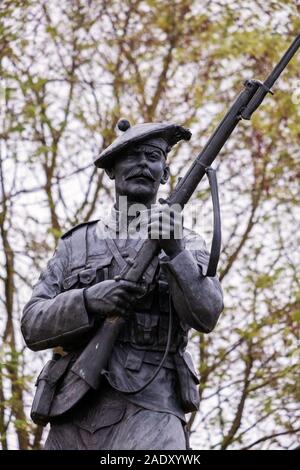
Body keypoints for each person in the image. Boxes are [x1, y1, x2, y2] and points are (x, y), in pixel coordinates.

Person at [21, 120, 223, 450]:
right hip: (74, 408)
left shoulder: (187, 242)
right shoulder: (77, 244)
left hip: (152, 408)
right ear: (112, 171)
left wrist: (175, 252)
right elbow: (32, 324)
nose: (143, 164)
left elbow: (208, 313)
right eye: (131, 156)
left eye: (153, 156)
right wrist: (88, 300)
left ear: (165, 173)